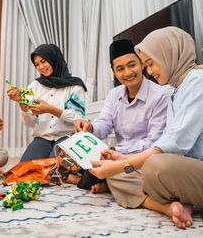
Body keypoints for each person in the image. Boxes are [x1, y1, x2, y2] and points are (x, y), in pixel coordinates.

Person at [89, 27, 203, 229]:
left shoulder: (200, 80)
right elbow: (166, 141)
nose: (149, 72)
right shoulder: (177, 91)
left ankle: (172, 201)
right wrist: (121, 161)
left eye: (150, 64)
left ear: (168, 54)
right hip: (199, 175)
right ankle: (172, 206)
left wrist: (124, 163)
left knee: (153, 166)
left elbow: (175, 143)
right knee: (118, 174)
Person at [72, 39, 170, 196]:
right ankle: (108, 182)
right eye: (120, 68)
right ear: (114, 72)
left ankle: (108, 184)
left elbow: (154, 142)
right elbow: (104, 123)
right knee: (85, 163)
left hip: (143, 159)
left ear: (142, 63)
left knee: (92, 175)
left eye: (132, 65)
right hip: (116, 156)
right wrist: (89, 127)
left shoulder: (160, 95)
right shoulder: (114, 94)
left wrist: (115, 152)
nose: (128, 73)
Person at [7, 44, 87, 162]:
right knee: (24, 171)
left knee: (52, 169)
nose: (40, 67)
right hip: (43, 138)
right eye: (37, 64)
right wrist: (21, 103)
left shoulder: (74, 86)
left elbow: (78, 118)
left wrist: (50, 109)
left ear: (54, 59)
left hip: (67, 136)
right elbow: (30, 122)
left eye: (43, 61)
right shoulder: (35, 86)